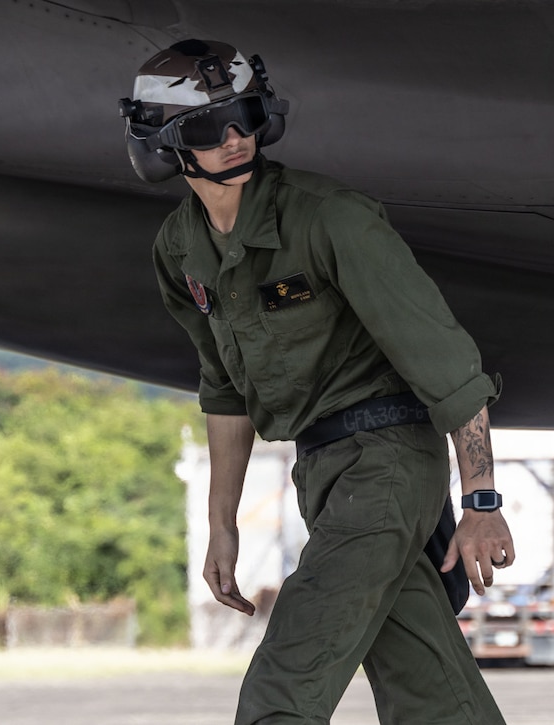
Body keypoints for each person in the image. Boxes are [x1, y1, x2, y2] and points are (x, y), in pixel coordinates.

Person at [119, 39, 516, 724]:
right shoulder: (180, 249)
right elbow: (223, 387)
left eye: (245, 116)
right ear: (166, 145)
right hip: (324, 471)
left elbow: (445, 360)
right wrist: (221, 524)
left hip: (388, 460)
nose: (236, 137)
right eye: (211, 128)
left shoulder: (330, 216)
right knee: (429, 689)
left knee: (282, 686)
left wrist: (480, 498)